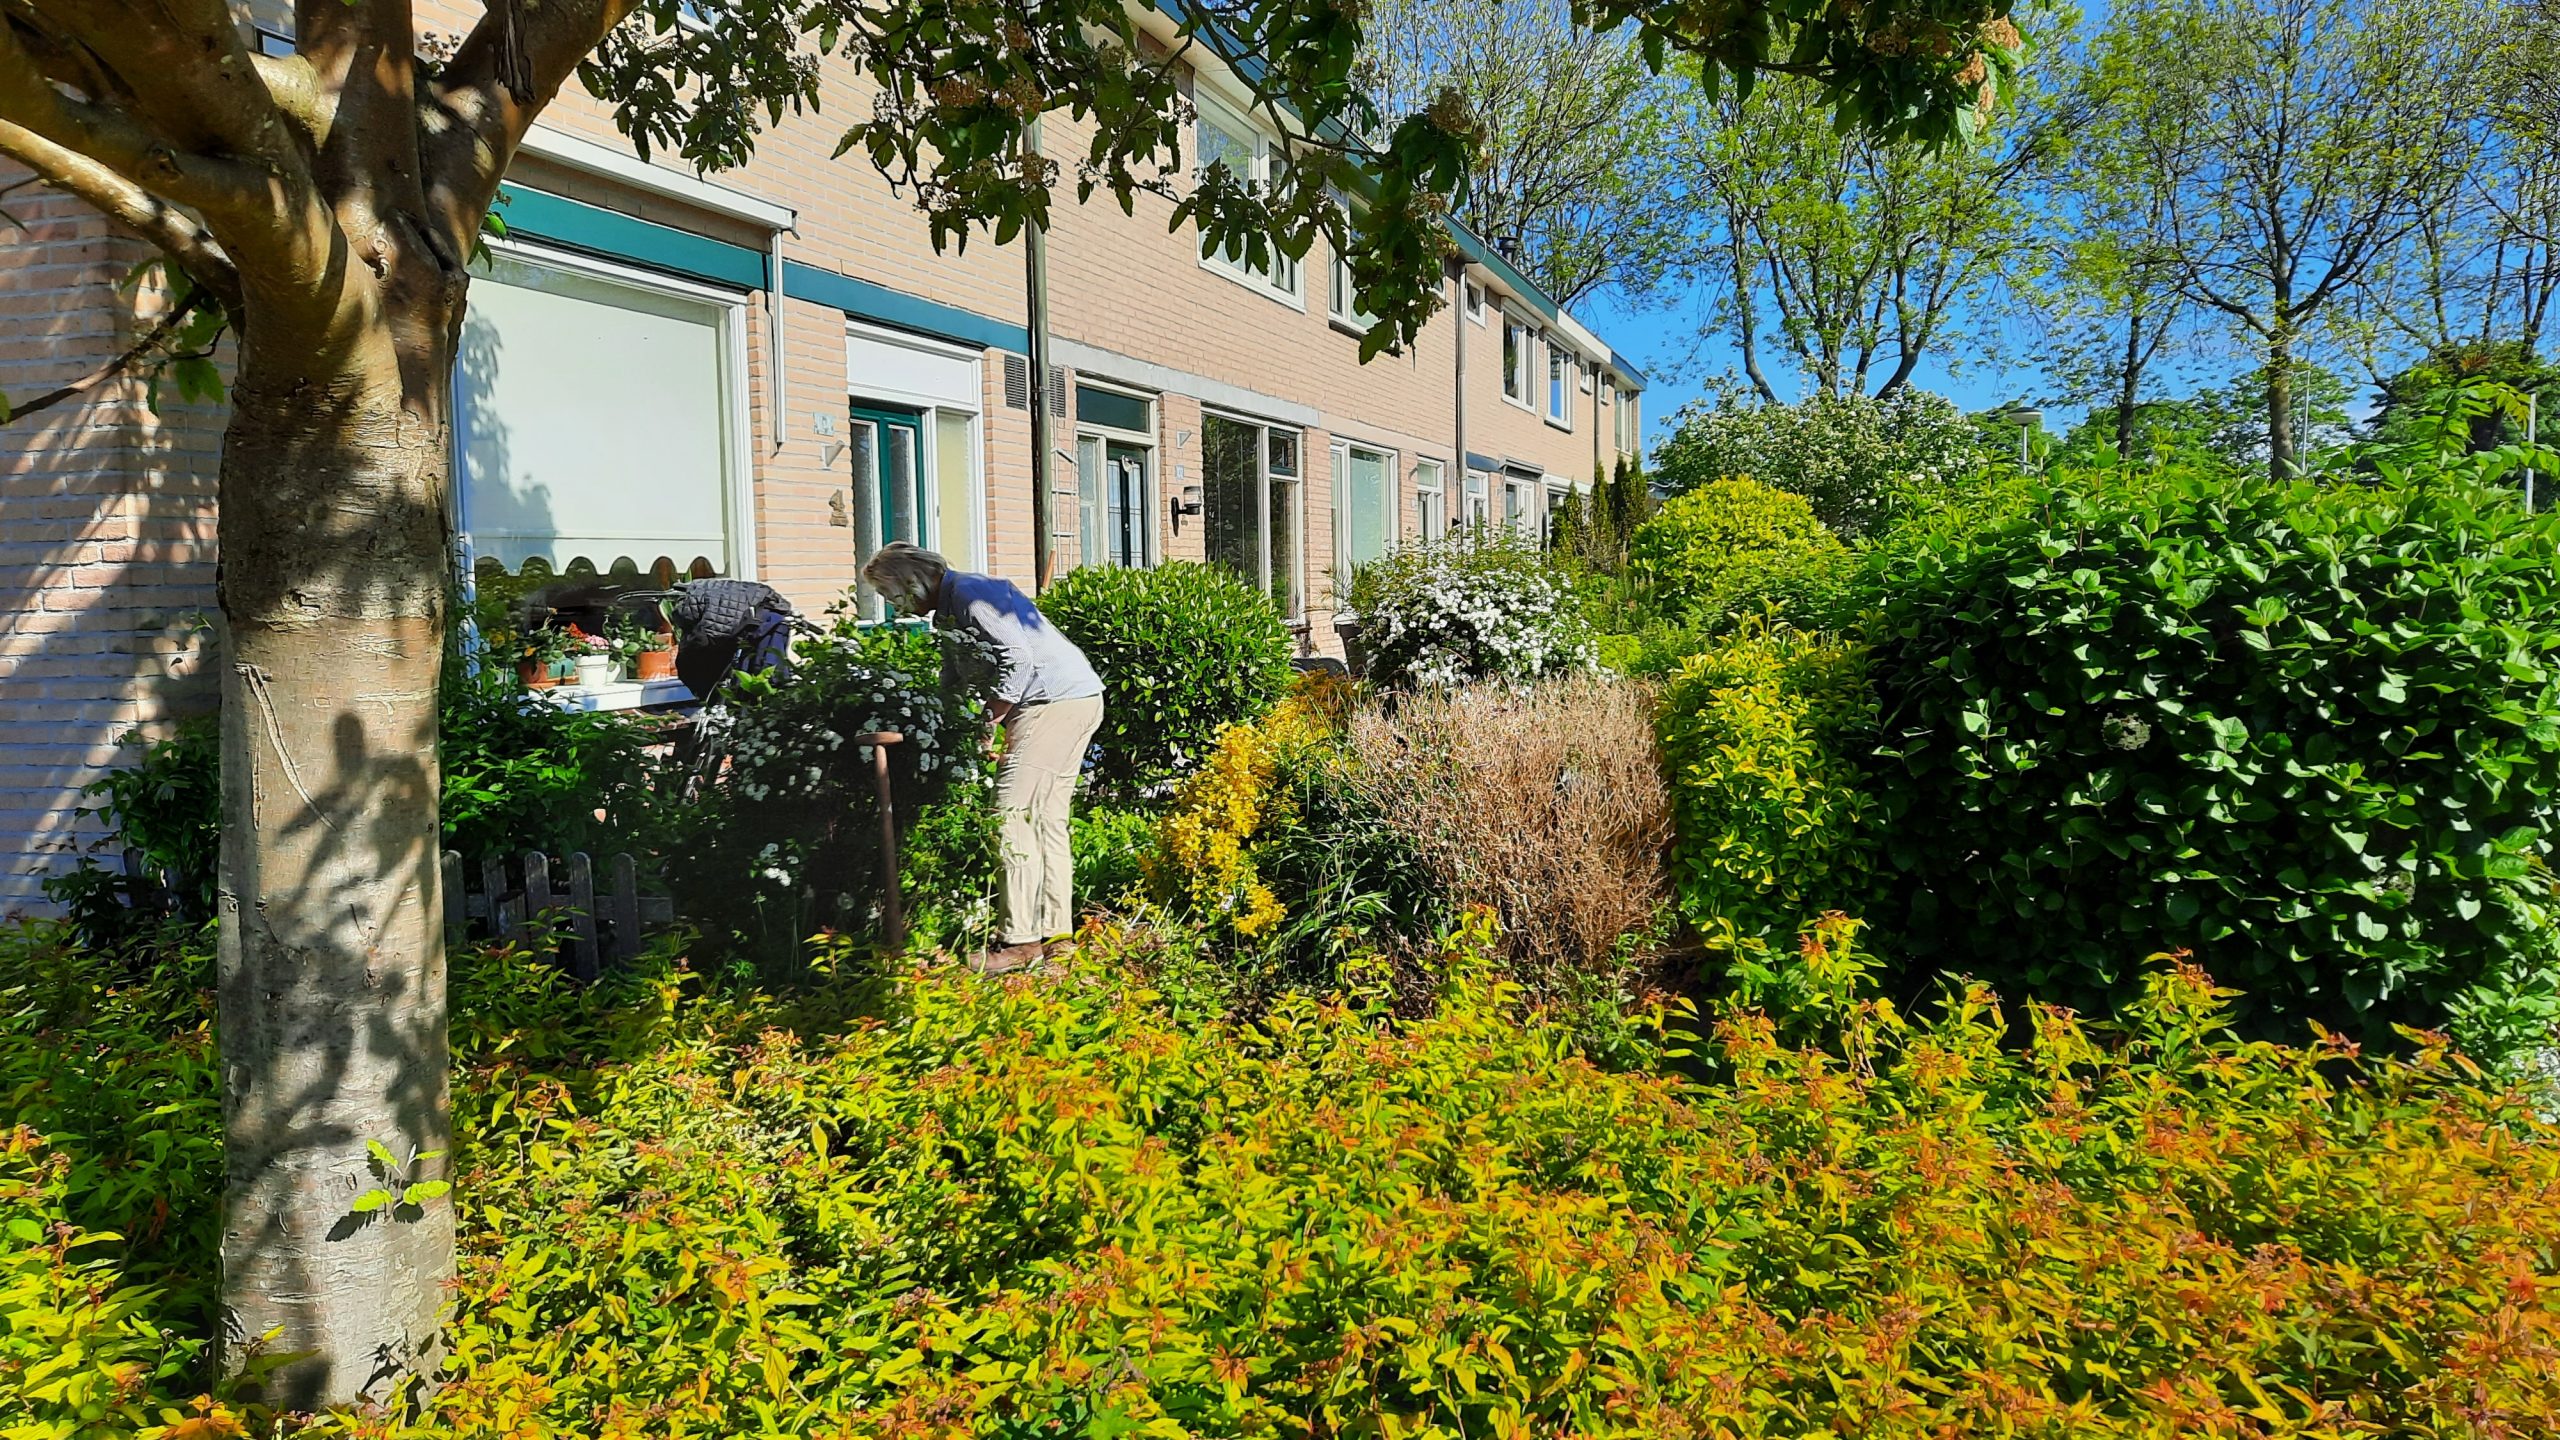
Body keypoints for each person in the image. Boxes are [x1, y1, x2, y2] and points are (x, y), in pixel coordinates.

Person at [861, 543, 1105, 972]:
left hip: (1052, 703)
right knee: (1044, 820)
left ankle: (1021, 941)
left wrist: (989, 719)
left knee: (1009, 815)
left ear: (910, 581)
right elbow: (954, 676)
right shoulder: (951, 608)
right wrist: (943, 716)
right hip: (1072, 699)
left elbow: (1018, 657)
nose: (894, 605)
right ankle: (1057, 939)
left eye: (890, 593)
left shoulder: (970, 596)